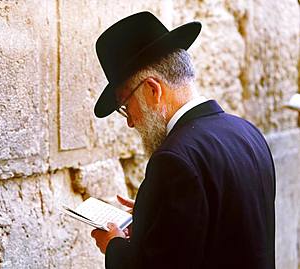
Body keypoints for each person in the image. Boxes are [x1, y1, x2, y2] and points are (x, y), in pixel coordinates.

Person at [91, 11, 275, 269]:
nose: (130, 121)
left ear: (152, 90)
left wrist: (114, 246)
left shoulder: (174, 159)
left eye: (125, 105)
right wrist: (150, 213)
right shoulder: (247, 132)